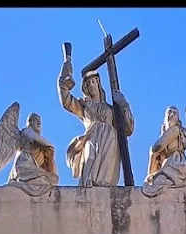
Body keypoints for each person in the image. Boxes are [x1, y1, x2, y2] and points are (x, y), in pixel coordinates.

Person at [57, 50, 134, 186]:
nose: (91, 85)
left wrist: (124, 105)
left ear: (98, 83)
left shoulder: (111, 109)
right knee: (89, 158)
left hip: (110, 141)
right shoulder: (85, 106)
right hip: (92, 137)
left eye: (93, 82)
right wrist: (66, 66)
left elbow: (128, 129)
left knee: (106, 178)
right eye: (88, 84)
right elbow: (66, 101)